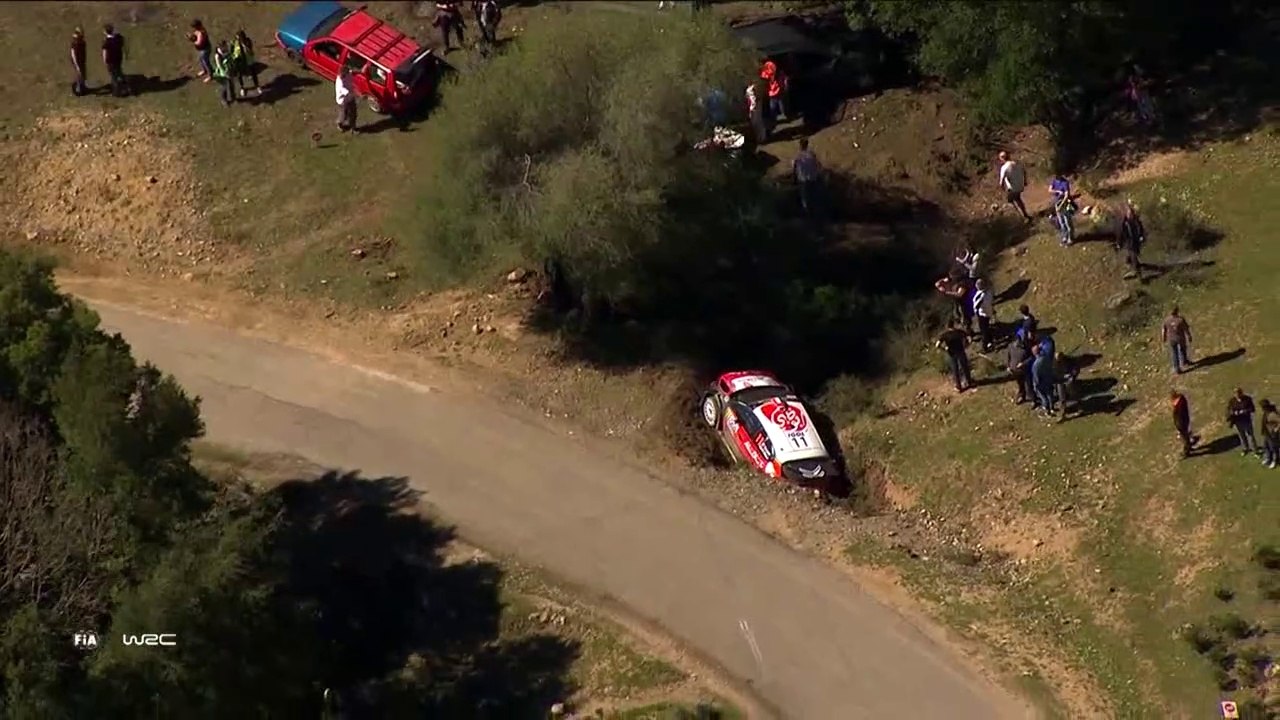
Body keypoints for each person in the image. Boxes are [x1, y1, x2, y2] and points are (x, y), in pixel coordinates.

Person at [936, 320, 972, 393]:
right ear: (954, 325)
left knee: (955, 370)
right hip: (961, 351)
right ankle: (969, 382)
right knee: (965, 367)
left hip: (951, 353)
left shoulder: (945, 335)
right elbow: (969, 338)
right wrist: (966, 345)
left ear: (947, 326)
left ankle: (959, 387)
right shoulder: (959, 332)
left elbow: (937, 345)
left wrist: (945, 349)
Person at [997, 151, 1031, 221]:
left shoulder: (1004, 168)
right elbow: (1024, 171)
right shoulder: (1017, 163)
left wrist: (1002, 188)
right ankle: (1024, 214)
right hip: (1020, 186)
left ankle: (1022, 216)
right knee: (1017, 199)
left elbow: (1001, 182)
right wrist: (1024, 181)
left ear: (1002, 158)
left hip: (1013, 188)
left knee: (1011, 201)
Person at [793, 138, 822, 216]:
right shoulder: (812, 154)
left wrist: (795, 178)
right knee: (813, 195)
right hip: (812, 178)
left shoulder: (798, 156)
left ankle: (807, 213)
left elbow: (795, 168)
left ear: (800, 145)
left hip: (803, 179)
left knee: (804, 197)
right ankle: (815, 212)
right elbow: (818, 165)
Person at [1117, 203, 1146, 279]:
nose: (1130, 215)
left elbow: (1141, 230)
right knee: (1132, 254)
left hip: (1135, 242)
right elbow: (1121, 233)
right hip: (1129, 242)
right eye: (1129, 213)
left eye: (1131, 213)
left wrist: (1141, 237)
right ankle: (1133, 264)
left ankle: (1137, 273)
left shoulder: (1136, 221)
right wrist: (1119, 243)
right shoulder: (1125, 223)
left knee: (1134, 255)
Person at [1226, 388, 1258, 456]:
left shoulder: (1247, 399)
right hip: (1238, 422)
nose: (1238, 396)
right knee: (1241, 436)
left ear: (1241, 393)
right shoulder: (1232, 401)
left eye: (1239, 394)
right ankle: (1245, 448)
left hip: (1246, 420)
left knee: (1250, 436)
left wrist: (1244, 411)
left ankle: (1255, 450)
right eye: (1236, 394)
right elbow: (1229, 410)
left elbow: (1252, 409)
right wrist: (1234, 412)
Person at [1161, 306, 1193, 374]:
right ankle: (1184, 361)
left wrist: (1164, 338)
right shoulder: (1180, 320)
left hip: (1171, 339)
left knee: (1174, 353)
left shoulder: (1167, 320)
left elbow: (1164, 330)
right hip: (1180, 338)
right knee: (1183, 349)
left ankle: (1177, 368)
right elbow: (1185, 328)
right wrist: (1189, 335)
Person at [231, 30, 261, 97]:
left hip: (249, 60)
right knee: (240, 75)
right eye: (237, 38)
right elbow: (232, 51)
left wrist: (244, 46)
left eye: (239, 38)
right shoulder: (235, 43)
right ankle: (242, 88)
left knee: (253, 73)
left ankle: (257, 86)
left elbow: (250, 51)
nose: (238, 39)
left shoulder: (247, 41)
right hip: (240, 62)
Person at [1006, 332, 1033, 405]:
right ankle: (1022, 396)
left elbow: (1031, 357)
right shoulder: (1010, 346)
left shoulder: (1025, 348)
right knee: (1020, 384)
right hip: (1014, 371)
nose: (1017, 344)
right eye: (1015, 342)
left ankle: (1033, 399)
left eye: (1018, 342)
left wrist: (1023, 363)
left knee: (1028, 385)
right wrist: (1008, 366)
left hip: (1024, 370)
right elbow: (1008, 357)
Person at [1171, 391, 1200, 458]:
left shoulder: (1179, 405)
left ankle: (1186, 452)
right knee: (1185, 437)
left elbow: (1179, 417)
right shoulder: (1181, 401)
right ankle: (1190, 444)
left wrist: (1179, 427)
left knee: (1185, 439)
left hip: (1181, 424)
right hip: (1183, 423)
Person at [1049, 173, 1076, 246]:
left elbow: (1067, 196)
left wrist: (1060, 205)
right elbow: (1050, 190)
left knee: (1067, 221)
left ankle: (1070, 238)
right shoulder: (1054, 181)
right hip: (1057, 203)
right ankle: (1065, 237)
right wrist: (1057, 191)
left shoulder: (1065, 182)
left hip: (1065, 204)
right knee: (1061, 222)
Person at [101, 24, 128, 96]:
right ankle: (124, 86)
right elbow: (123, 44)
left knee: (113, 76)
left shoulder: (106, 42)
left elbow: (104, 53)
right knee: (119, 71)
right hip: (118, 59)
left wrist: (105, 61)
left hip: (110, 61)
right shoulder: (118, 38)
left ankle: (117, 92)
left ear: (106, 32)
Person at [1032, 344, 1056, 416]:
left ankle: (1047, 409)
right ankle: (1052, 408)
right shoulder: (1046, 358)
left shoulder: (1036, 364)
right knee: (1050, 394)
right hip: (1048, 379)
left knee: (1043, 397)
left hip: (1041, 383)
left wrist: (1035, 385)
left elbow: (1036, 376)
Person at [1054, 352, 1079, 420]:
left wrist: (1072, 375)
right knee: (1062, 397)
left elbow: (1076, 368)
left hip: (1069, 381)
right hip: (1060, 382)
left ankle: (1078, 407)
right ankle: (1062, 413)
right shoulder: (1054, 363)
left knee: (1073, 394)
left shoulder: (1070, 361)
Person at [972, 278, 995, 351]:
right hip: (989, 311)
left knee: (984, 330)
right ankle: (990, 341)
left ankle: (985, 346)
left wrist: (976, 311)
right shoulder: (989, 292)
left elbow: (976, 305)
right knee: (987, 327)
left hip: (982, 314)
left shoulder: (981, 295)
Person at [210, 41, 233, 107]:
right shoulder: (218, 55)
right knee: (225, 86)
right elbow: (220, 66)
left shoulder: (226, 50)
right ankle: (224, 99)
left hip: (229, 69)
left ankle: (232, 95)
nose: (226, 47)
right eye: (224, 46)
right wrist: (225, 73)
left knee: (231, 83)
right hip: (222, 74)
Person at [335, 67, 358, 132]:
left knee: (353, 114)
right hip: (343, 102)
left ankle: (353, 128)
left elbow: (353, 72)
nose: (341, 75)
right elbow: (347, 92)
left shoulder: (348, 74)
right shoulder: (340, 83)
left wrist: (361, 71)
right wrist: (358, 95)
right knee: (343, 116)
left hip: (350, 99)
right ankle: (339, 124)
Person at [1261, 399, 1280, 469]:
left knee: (1274, 448)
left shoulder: (1272, 413)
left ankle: (1275, 461)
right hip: (1266, 433)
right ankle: (1268, 458)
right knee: (1266, 446)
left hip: (1272, 434)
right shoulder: (1266, 412)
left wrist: (1276, 429)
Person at [71, 27, 88, 96]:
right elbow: (73, 55)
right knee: (79, 74)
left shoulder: (83, 43)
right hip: (77, 62)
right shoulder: (75, 44)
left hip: (82, 61)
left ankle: (83, 86)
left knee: (83, 74)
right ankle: (79, 89)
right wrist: (76, 65)